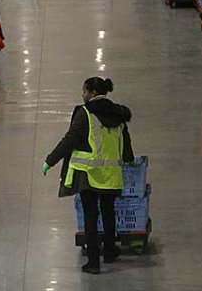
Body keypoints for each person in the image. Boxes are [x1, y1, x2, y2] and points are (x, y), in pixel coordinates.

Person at [43, 77, 134, 274]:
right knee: (109, 212)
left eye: (84, 91)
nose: (82, 95)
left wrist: (50, 160)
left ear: (92, 93)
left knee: (91, 217)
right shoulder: (119, 115)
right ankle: (110, 250)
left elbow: (70, 139)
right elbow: (126, 147)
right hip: (111, 175)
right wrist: (130, 159)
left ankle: (93, 262)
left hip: (89, 175)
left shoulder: (85, 113)